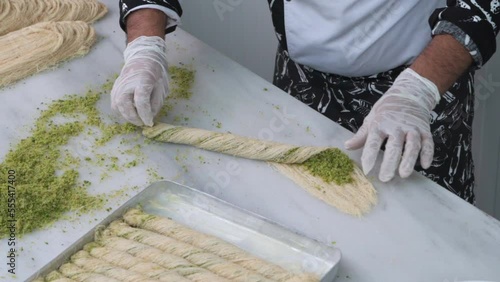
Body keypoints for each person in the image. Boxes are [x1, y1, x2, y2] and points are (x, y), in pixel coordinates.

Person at [111, 0, 500, 204]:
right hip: (303, 79)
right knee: (303, 210)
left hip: (421, 80)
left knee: (423, 227)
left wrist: (417, 91)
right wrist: (146, 45)